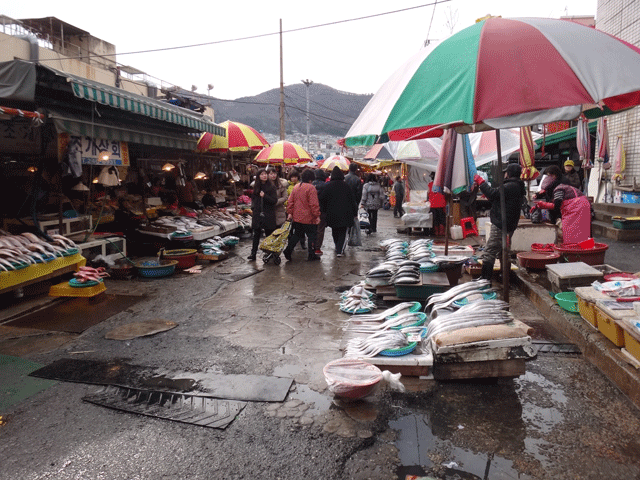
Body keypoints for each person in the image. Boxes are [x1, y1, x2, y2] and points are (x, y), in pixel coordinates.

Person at [474, 163, 526, 281]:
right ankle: (505, 277)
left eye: (506, 172)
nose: (505, 174)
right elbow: (496, 197)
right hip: (509, 224)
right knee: (504, 251)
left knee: (490, 251)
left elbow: (493, 193)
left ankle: (485, 280)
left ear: (510, 173)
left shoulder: (510, 186)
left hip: (501, 223)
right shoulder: (517, 185)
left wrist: (481, 182)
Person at [534, 164, 591, 244]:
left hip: (576, 207)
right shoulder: (560, 186)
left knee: (570, 231)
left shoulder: (559, 189)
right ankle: (584, 250)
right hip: (581, 205)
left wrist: (543, 204)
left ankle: (572, 250)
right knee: (582, 230)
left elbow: (557, 206)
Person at [283, 169, 321, 262]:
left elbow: (290, 202)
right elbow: (314, 204)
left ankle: (288, 250)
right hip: (309, 218)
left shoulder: (296, 187)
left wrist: (290, 213)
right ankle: (311, 255)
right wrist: (317, 215)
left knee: (297, 235)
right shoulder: (311, 188)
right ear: (311, 179)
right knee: (312, 236)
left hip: (297, 217)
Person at [319, 166, 358, 256]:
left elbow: (322, 199)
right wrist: (355, 213)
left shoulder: (328, 185)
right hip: (345, 213)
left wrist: (323, 211)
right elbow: (352, 201)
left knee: (335, 230)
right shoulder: (346, 186)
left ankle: (337, 245)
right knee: (342, 231)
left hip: (332, 213)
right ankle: (339, 249)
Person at [248, 168, 278, 261]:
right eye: (262, 174)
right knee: (256, 234)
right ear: (258, 176)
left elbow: (274, 200)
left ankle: (269, 253)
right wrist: (253, 209)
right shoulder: (256, 187)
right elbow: (253, 200)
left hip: (268, 214)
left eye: (265, 174)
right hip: (257, 214)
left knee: (269, 234)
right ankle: (253, 253)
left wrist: (265, 196)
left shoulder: (271, 187)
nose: (264, 175)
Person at [312, 169, 329, 255]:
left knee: (312, 228)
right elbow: (327, 199)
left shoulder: (311, 185)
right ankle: (317, 248)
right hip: (322, 210)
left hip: (311, 211)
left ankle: (311, 244)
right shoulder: (325, 186)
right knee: (320, 230)